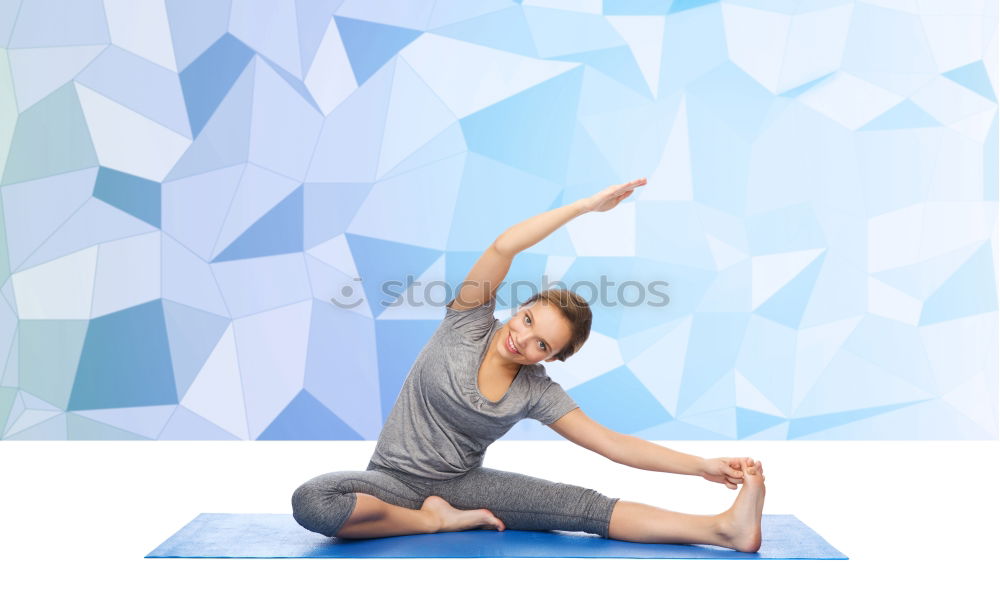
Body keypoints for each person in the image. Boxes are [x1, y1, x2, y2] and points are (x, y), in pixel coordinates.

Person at [291, 177, 766, 552]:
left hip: (464, 485)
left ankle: (724, 529)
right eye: (526, 320)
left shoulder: (536, 391)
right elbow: (504, 247)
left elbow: (613, 445)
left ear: (553, 358)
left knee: (582, 508)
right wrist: (584, 208)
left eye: (541, 345)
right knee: (314, 502)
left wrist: (701, 465)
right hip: (388, 480)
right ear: (518, 307)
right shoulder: (467, 322)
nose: (522, 340)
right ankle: (431, 521)